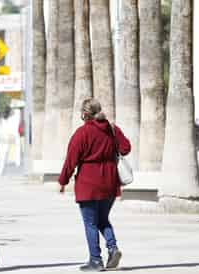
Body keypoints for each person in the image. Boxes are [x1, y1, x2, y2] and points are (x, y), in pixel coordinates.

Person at [58, 98, 131, 272]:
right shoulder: (112, 129)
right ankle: (112, 249)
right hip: (110, 182)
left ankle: (95, 260)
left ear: (84, 114)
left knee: (90, 223)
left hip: (88, 183)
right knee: (103, 219)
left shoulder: (82, 133)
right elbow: (126, 148)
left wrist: (63, 181)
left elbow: (71, 161)